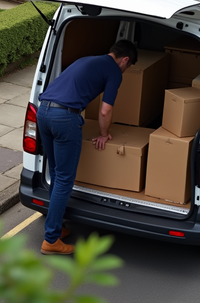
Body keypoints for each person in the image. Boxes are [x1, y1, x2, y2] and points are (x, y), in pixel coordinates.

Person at [37, 39, 138, 255]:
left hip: (43, 112)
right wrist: (104, 134)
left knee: (55, 174)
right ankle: (51, 240)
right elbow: (105, 110)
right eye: (128, 67)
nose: (126, 70)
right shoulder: (114, 72)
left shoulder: (87, 60)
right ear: (125, 60)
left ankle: (54, 228)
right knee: (65, 179)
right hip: (65, 118)